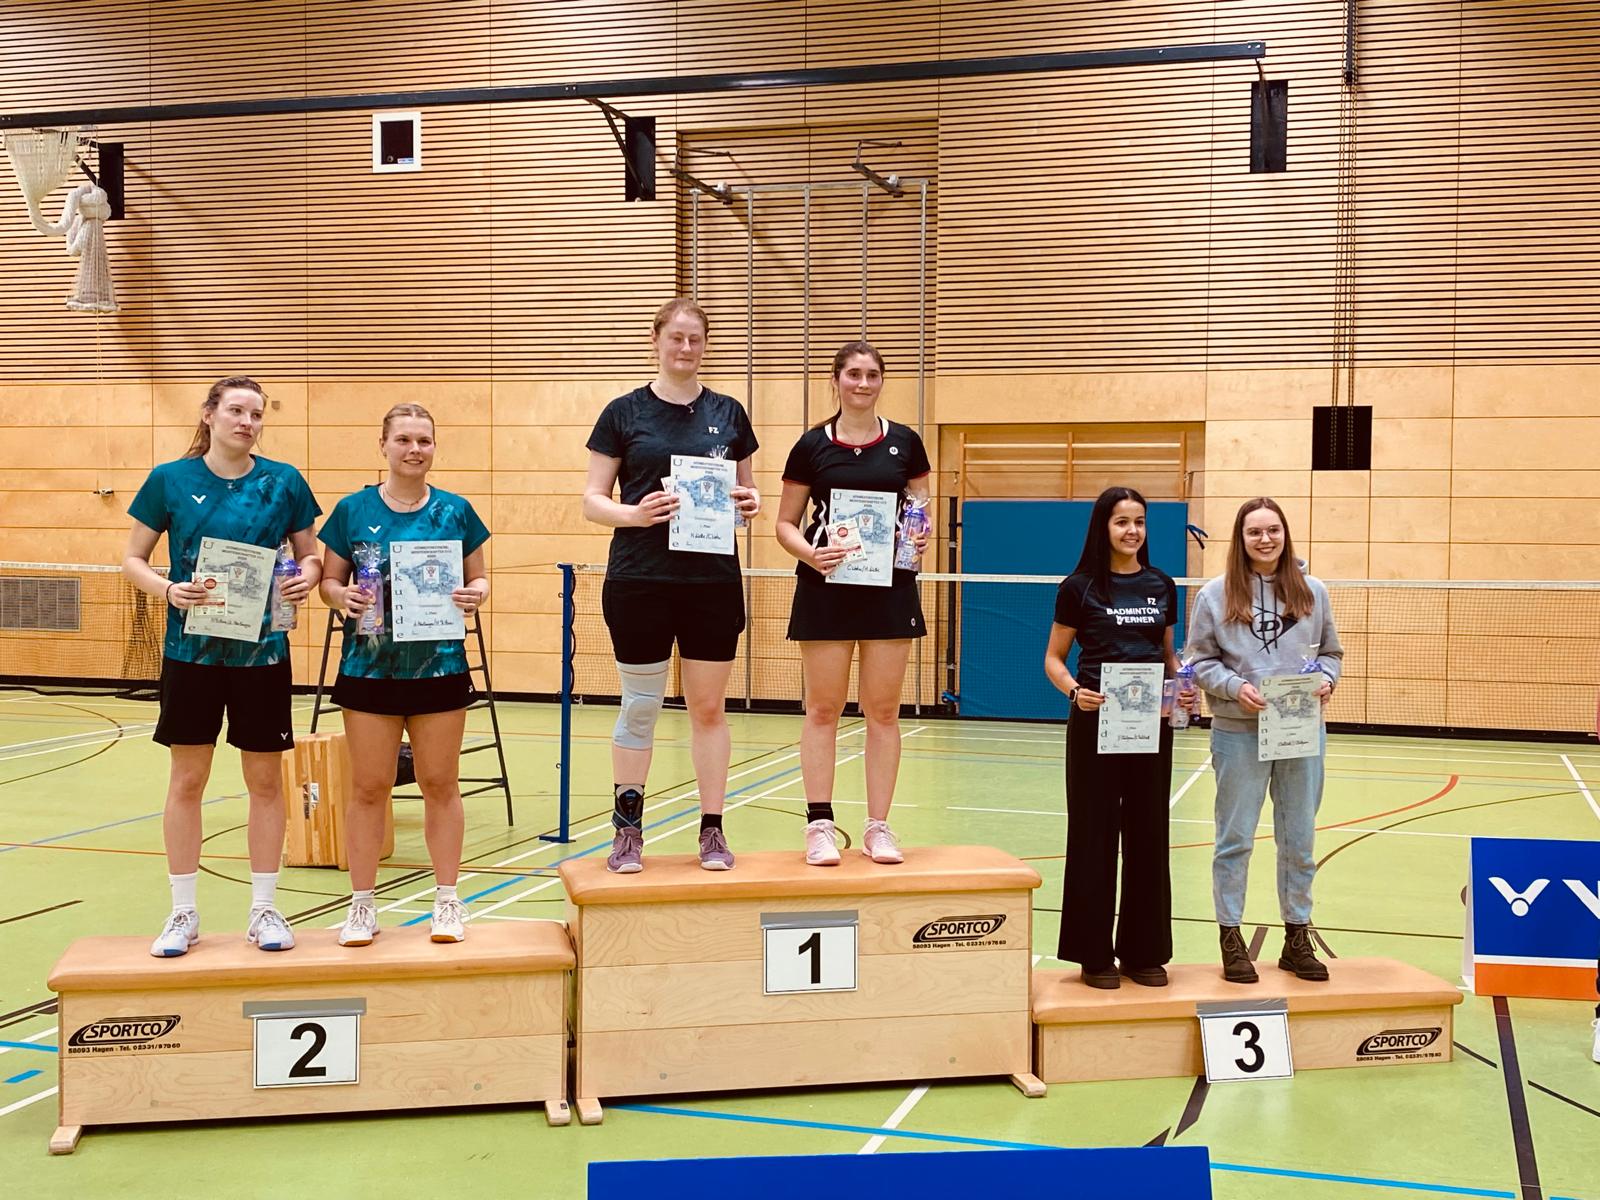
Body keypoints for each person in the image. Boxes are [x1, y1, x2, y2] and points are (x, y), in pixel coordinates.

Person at [122, 376, 321, 958]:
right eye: (235, 410)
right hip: (192, 655)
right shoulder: (170, 479)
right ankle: (183, 912)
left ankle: (264, 909)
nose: (247, 422)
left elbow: (310, 557)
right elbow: (133, 558)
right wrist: (167, 590)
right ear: (209, 414)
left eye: (256, 414)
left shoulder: (284, 481)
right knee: (188, 780)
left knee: (266, 782)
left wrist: (305, 580)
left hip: (263, 655)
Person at [583, 299, 760, 872]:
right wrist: (634, 515)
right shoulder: (623, 412)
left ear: (705, 345)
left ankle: (712, 830)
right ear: (656, 340)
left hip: (711, 583)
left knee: (708, 708)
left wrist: (749, 505)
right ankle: (627, 832)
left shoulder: (729, 413)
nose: (686, 348)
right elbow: (593, 501)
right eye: (676, 337)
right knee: (640, 706)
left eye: (696, 339)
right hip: (640, 580)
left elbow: (746, 494)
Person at [318, 404, 489, 946]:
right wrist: (340, 596)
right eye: (404, 440)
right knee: (370, 787)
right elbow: (328, 582)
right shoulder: (352, 510)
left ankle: (448, 899)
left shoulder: (456, 511)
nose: (415, 450)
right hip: (369, 668)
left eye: (424, 441)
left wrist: (475, 594)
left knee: (440, 783)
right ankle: (361, 905)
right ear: (384, 445)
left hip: (440, 666)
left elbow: (480, 580)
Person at [775, 341, 931, 866]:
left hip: (890, 590)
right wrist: (811, 554)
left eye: (872, 375)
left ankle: (878, 827)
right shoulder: (810, 446)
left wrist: (919, 537)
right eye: (854, 374)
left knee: (883, 711)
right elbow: (784, 524)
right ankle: (819, 825)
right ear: (837, 379)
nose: (863, 383)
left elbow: (920, 512)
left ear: (881, 381)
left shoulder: (906, 443)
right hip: (827, 587)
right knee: (823, 709)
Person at [1187, 497, 1343, 984]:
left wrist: (1327, 680)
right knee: (1234, 840)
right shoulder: (1214, 595)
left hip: (1300, 734)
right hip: (1238, 734)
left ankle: (1297, 938)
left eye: (1273, 530)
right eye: (1254, 532)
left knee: (1299, 840)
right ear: (1241, 538)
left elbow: (1332, 653)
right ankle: (1231, 939)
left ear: (1284, 534)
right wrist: (1235, 687)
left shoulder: (1313, 591)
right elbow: (1199, 661)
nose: (1265, 539)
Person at [1043, 486, 1188, 988]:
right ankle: (1093, 955)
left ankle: (1144, 952)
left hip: (1151, 725)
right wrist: (1074, 691)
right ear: (1103, 527)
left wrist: (1182, 688)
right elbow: (1054, 659)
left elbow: (1168, 656)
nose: (1133, 531)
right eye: (1122, 522)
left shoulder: (1161, 585)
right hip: (1095, 723)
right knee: (1094, 835)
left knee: (1149, 834)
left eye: (1139, 522)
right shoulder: (1079, 587)